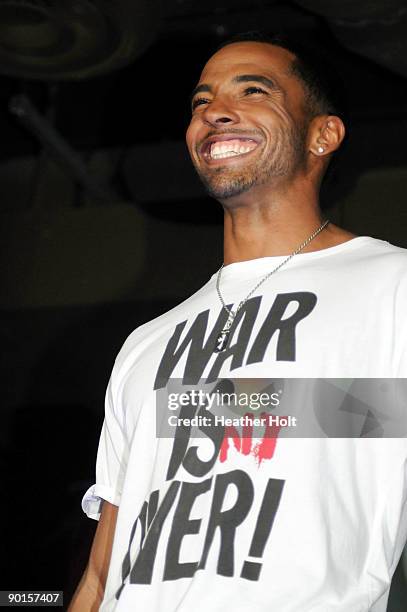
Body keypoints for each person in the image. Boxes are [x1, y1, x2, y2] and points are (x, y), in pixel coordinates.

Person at [69, 33, 407, 611]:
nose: (215, 112)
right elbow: (102, 574)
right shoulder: (145, 346)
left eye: (254, 90)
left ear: (322, 134)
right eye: (201, 102)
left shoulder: (393, 284)